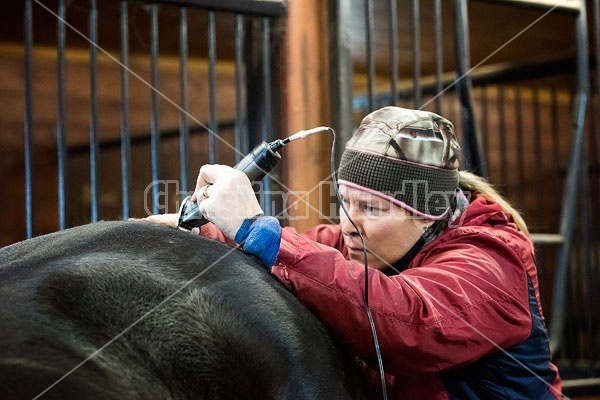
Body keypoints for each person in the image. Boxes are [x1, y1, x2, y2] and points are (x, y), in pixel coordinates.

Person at [145, 106, 562, 399]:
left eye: (372, 208)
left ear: (426, 215)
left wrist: (258, 230)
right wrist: (198, 233)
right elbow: (303, 258)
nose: (348, 224)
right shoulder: (359, 243)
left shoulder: (489, 262)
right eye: (346, 202)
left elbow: (412, 321)